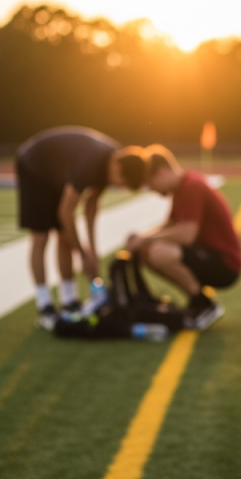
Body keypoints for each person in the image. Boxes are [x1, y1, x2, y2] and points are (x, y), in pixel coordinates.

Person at [16, 126, 146, 329]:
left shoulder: (115, 159)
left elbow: (91, 206)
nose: (119, 187)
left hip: (55, 172)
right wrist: (82, 255)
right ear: (118, 169)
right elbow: (66, 213)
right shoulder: (91, 162)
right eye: (122, 183)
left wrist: (92, 250)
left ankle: (69, 300)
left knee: (62, 234)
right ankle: (45, 306)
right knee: (41, 236)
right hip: (35, 165)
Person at [125, 144, 241, 330]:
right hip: (207, 255)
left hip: (226, 263)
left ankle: (204, 304)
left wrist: (146, 239)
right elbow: (169, 227)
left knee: (158, 252)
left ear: (162, 172)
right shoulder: (181, 189)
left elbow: (186, 235)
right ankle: (196, 301)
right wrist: (142, 237)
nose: (152, 190)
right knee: (148, 251)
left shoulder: (192, 186)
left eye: (150, 183)